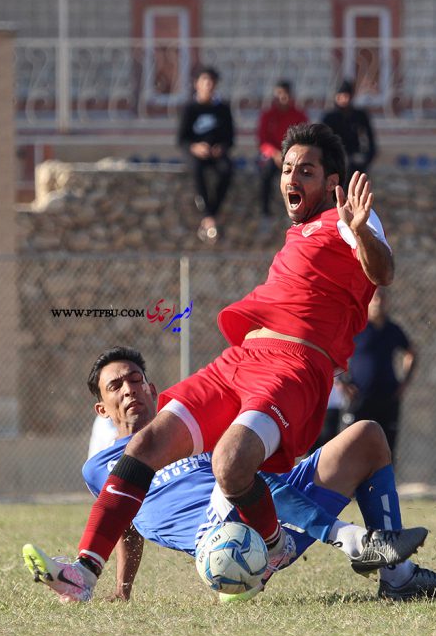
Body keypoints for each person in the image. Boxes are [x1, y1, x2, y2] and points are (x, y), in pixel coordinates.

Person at [23, 122, 395, 603]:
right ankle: (84, 573)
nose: (291, 178)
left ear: (332, 182)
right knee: (145, 445)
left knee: (232, 463)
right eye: (286, 169)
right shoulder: (300, 233)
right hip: (240, 360)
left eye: (306, 170)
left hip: (293, 366)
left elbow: (382, 271)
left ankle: (285, 547)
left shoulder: (348, 220)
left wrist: (361, 229)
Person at [23, 346, 436, 602]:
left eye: (136, 379)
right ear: (102, 408)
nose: (130, 389)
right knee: (232, 477)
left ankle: (399, 580)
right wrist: (123, 588)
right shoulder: (100, 467)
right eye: (116, 386)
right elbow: (121, 521)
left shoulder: (188, 432)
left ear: (153, 388)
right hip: (229, 542)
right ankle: (355, 541)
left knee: (368, 436)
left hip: (273, 504)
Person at [342, 288, 417, 463]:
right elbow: (337, 352)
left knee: (387, 446)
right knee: (352, 444)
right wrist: (344, 382)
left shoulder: (393, 330)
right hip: (360, 396)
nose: (379, 302)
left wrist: (404, 382)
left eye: (382, 298)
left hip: (388, 396)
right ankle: (349, 486)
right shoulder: (357, 328)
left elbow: (410, 353)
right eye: (375, 298)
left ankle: (383, 487)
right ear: (368, 302)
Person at [177, 66, 235, 243]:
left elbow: (231, 137)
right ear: (197, 84)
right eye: (205, 81)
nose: (208, 86)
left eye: (211, 82)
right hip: (197, 154)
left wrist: (221, 148)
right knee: (197, 170)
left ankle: (211, 214)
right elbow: (181, 139)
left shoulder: (223, 108)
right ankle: (208, 215)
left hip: (216, 153)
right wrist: (195, 147)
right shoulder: (190, 108)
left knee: (226, 170)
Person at [256, 80, 308, 219]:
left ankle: (298, 209)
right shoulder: (268, 115)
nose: (282, 98)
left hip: (293, 157)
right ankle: (265, 211)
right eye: (279, 94)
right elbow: (262, 140)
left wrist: (289, 156)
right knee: (265, 172)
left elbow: (303, 139)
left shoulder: (299, 115)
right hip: (273, 156)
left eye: (285, 94)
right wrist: (274, 153)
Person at [321, 80, 376, 186]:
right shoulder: (329, 118)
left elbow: (370, 140)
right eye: (342, 96)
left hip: (355, 158)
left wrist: (367, 157)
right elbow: (323, 140)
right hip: (335, 158)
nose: (345, 100)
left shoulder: (359, 115)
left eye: (347, 96)